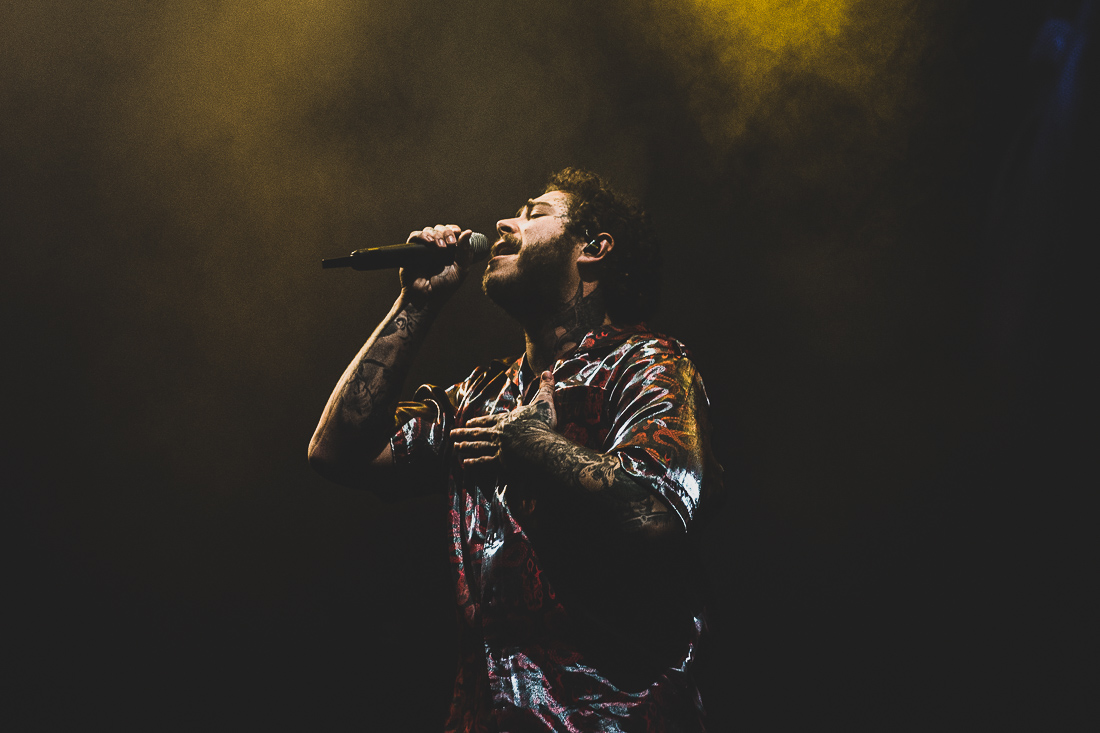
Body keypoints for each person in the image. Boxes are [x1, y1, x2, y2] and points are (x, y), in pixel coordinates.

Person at [308, 168, 724, 731]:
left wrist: (534, 446)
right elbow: (339, 453)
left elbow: (658, 513)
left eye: (534, 212)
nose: (505, 222)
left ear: (594, 250)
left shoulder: (648, 364)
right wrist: (416, 303)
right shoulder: (481, 395)